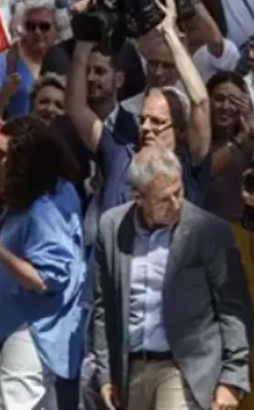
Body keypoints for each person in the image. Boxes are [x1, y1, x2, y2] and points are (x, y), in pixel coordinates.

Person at [91, 147, 250, 410]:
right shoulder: (111, 228)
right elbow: (103, 308)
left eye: (179, 193)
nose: (176, 205)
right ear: (138, 197)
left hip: (185, 369)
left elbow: (233, 309)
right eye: (164, 199)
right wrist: (105, 373)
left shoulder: (210, 232)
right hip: (131, 370)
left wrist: (232, 378)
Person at [0, 115, 85, 409]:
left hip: (31, 333)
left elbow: (45, 279)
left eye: (5, 153)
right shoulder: (51, 193)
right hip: (33, 329)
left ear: (27, 160)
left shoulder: (46, 206)